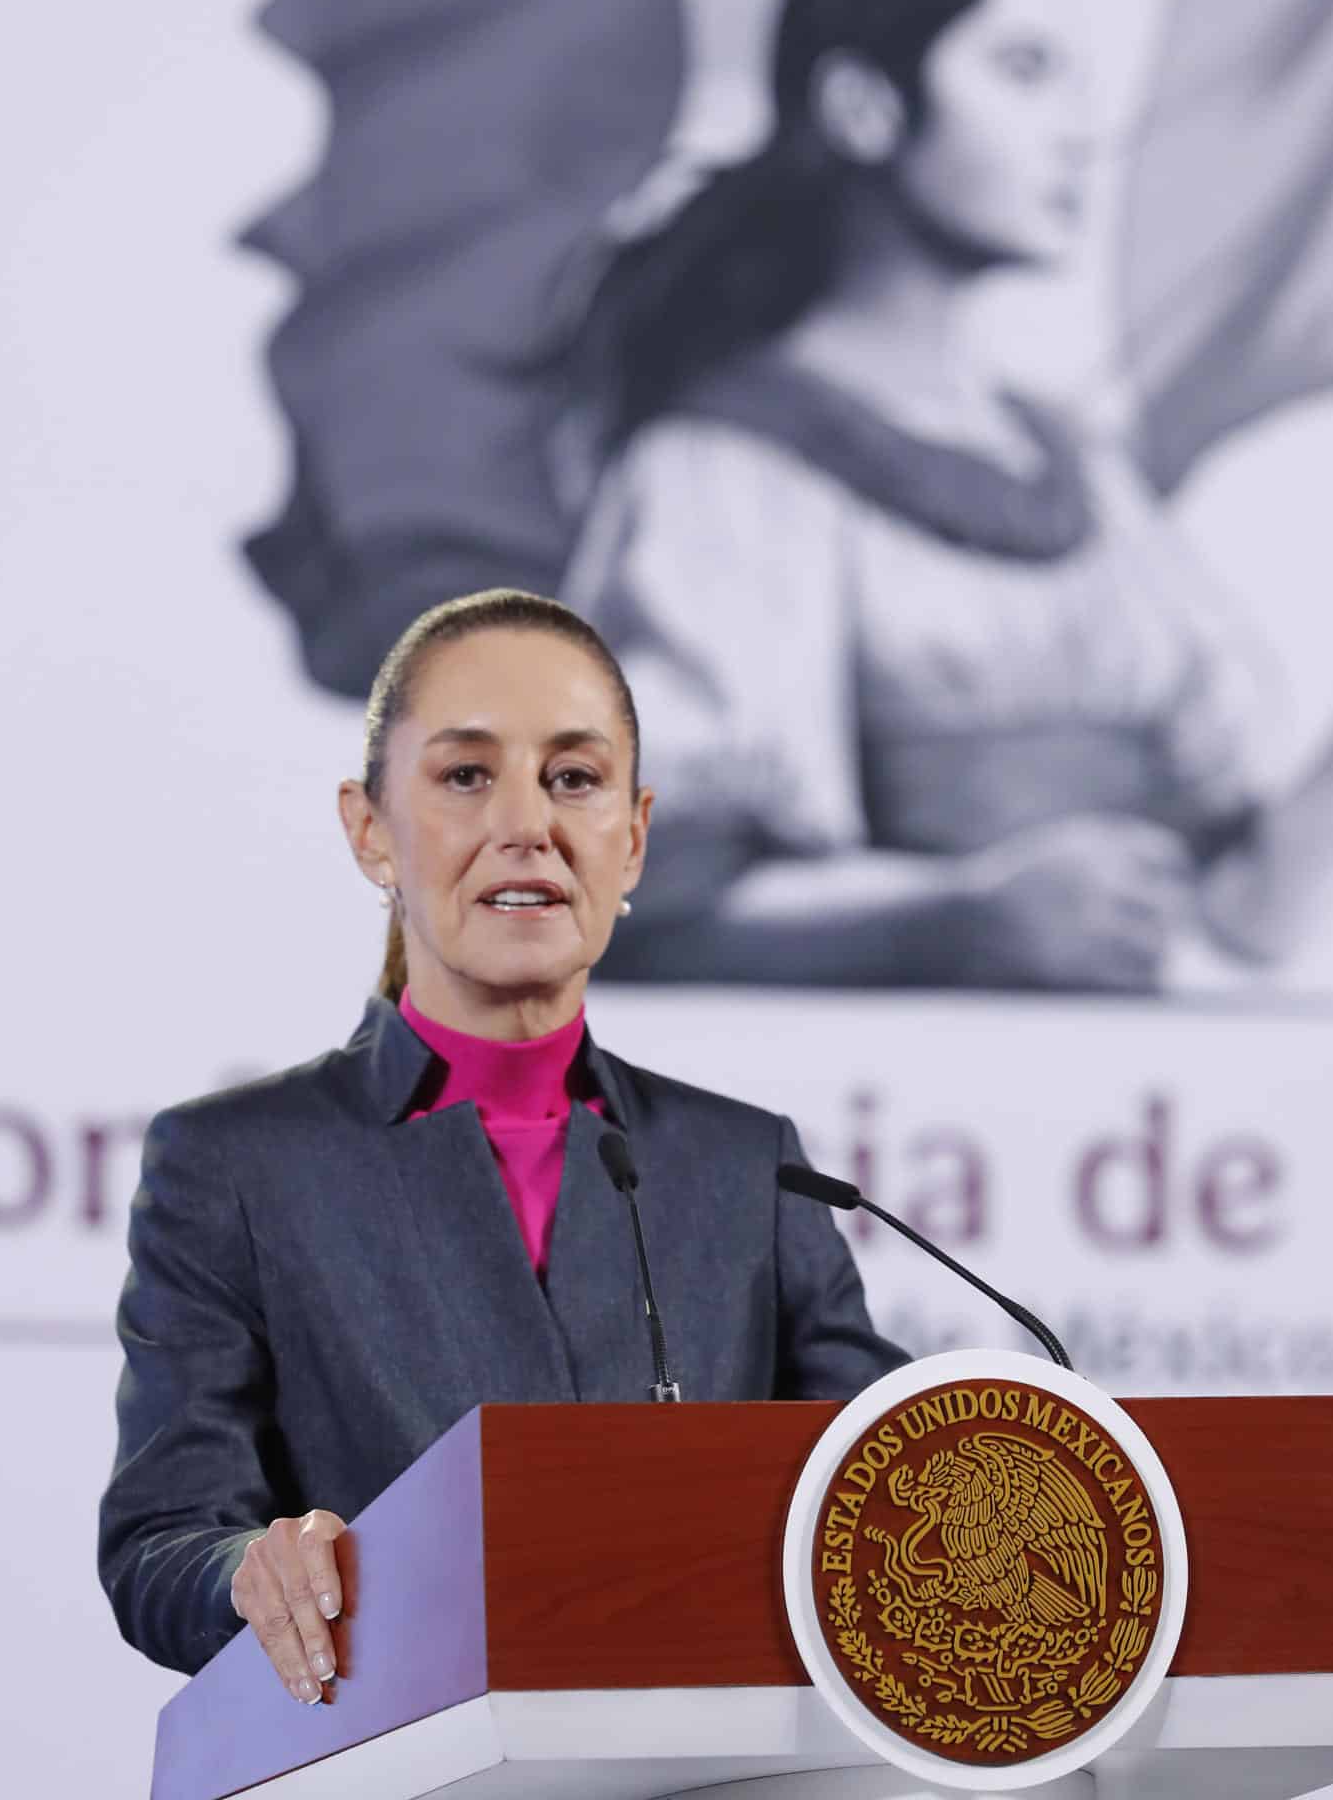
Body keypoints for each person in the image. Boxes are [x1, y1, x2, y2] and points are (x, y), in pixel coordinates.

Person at [97, 588, 908, 1694]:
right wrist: (253, 1569)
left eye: (572, 778)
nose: (526, 823)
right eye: (466, 775)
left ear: (631, 838)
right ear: (368, 828)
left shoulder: (748, 1166)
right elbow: (163, 1539)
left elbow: (892, 1486)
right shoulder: (238, 1166)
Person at [560, 0, 1333, 991]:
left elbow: (1240, 918)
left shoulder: (1080, 477)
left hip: (1134, 1134)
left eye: (1075, 81)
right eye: (1021, 70)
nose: (1075, 132)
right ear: (863, 106)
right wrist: (949, 917)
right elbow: (639, 894)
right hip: (873, 1129)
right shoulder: (725, 470)